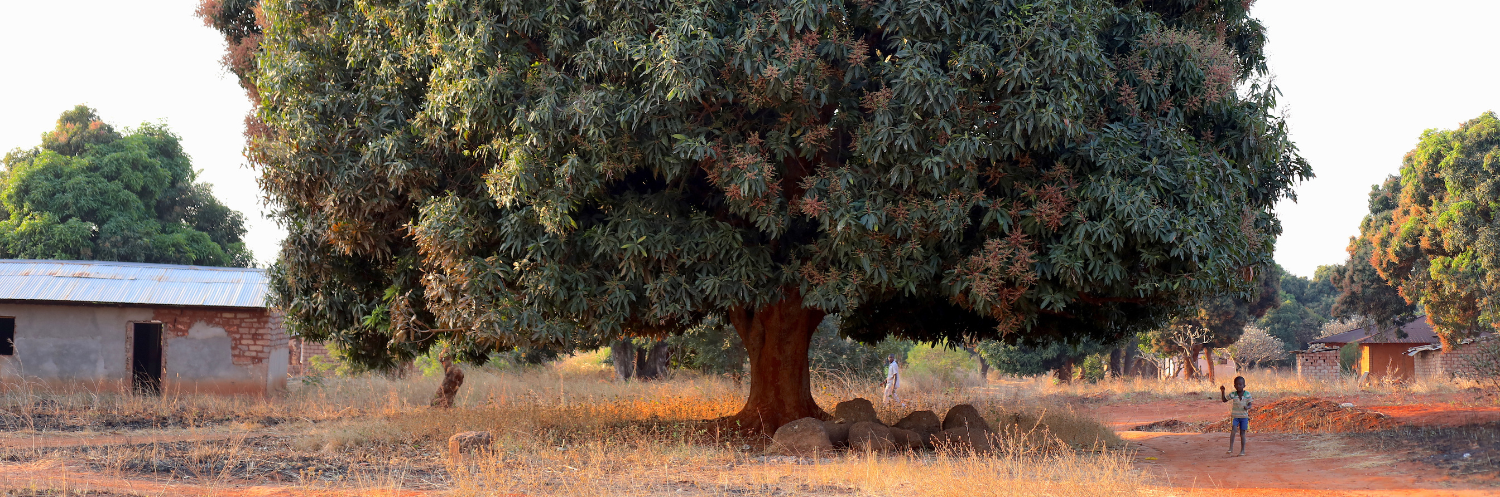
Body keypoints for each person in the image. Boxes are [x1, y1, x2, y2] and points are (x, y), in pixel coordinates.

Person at [1220, 376, 1252, 456]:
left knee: (1242, 434)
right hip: (1235, 417)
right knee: (1233, 431)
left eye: (1240, 384)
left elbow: (1250, 404)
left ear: (1244, 385)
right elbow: (1224, 400)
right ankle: (1230, 448)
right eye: (1237, 385)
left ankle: (1242, 451)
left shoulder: (1247, 394)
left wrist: (1247, 407)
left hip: (1244, 417)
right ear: (1234, 386)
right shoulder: (1233, 394)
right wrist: (1222, 391)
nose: (1238, 386)